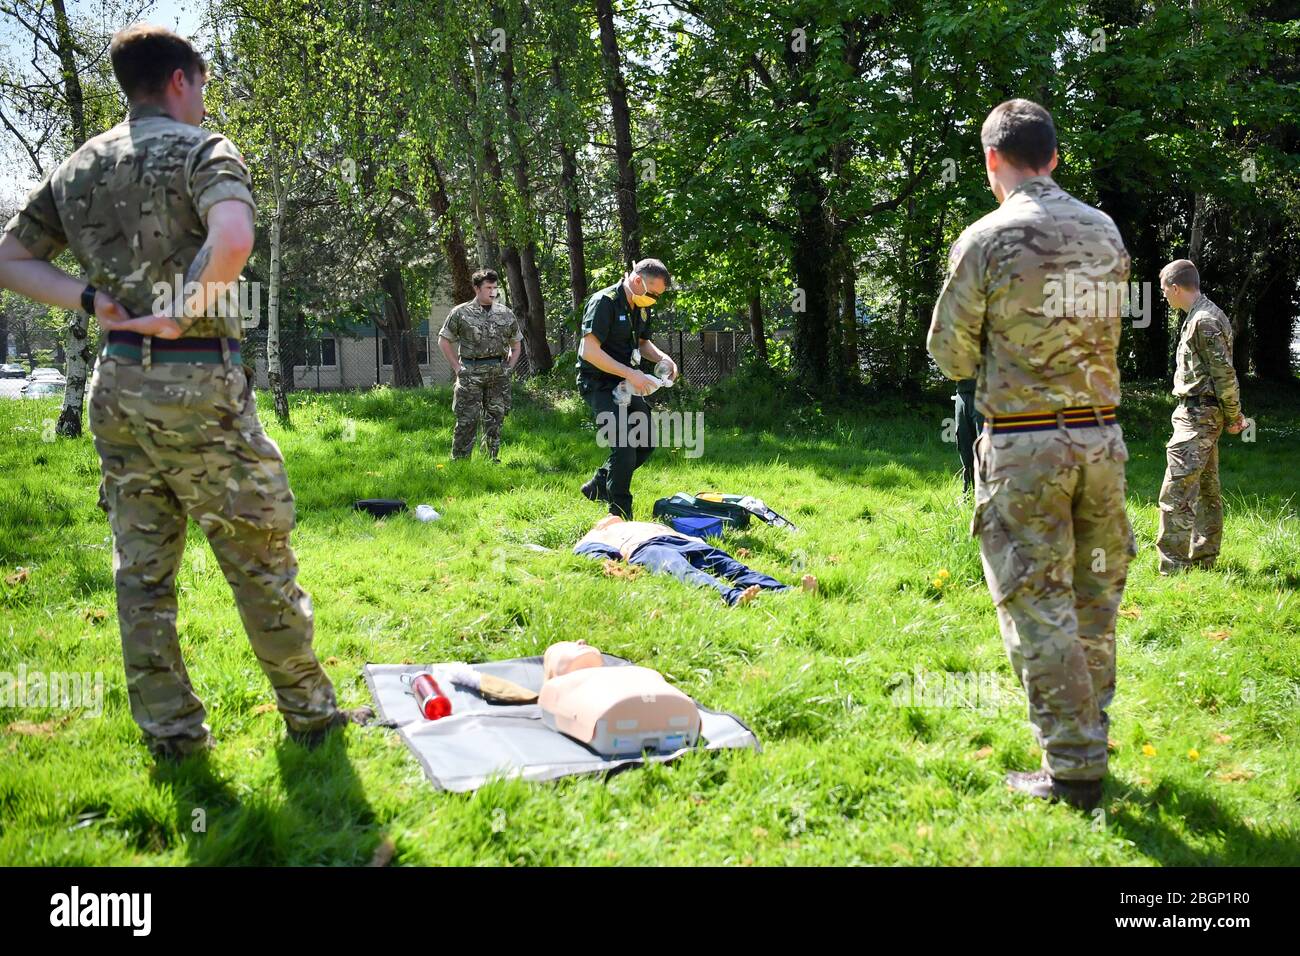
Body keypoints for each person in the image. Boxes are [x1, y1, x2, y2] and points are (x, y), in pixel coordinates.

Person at [0, 24, 370, 760]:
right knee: (257, 553)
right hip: (196, 379)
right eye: (199, 83)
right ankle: (310, 715)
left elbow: (9, 257)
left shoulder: (78, 168)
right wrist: (182, 308)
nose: (203, 97)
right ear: (179, 79)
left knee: (141, 573)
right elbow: (232, 239)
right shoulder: (204, 149)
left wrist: (88, 301)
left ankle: (170, 736)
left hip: (116, 384)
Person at [927, 99, 1136, 812]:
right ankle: (1091, 740)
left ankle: (1075, 769)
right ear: (1054, 154)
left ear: (993, 160)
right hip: (1103, 439)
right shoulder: (1105, 231)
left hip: (1025, 447)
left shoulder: (987, 237)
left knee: (1038, 605)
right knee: (1095, 601)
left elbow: (950, 355)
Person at [1155, 259, 1246, 574]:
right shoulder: (1200, 316)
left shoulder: (1203, 320)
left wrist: (1235, 416)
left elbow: (1224, 374)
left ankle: (1173, 567)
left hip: (1198, 415)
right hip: (1200, 413)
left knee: (1176, 490)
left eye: (1165, 290)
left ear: (1176, 288)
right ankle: (1204, 559)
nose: (1164, 296)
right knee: (1207, 489)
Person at [576, 258, 679, 518]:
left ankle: (599, 485)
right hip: (598, 382)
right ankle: (620, 512)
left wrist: (663, 358)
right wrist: (632, 374)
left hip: (625, 382)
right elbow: (589, 351)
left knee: (644, 443)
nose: (654, 299)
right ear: (637, 281)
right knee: (624, 445)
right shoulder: (604, 302)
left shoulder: (640, 306)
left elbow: (643, 343)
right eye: (653, 293)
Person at [574, 515, 814, 606]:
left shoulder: (637, 521)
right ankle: (732, 597)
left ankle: (788, 592)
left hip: (684, 541)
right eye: (605, 517)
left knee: (731, 566)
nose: (610, 516)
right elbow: (598, 555)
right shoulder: (596, 534)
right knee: (683, 571)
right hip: (646, 548)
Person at [437, 268, 522, 461]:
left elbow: (516, 345)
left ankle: (490, 461)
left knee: (495, 420)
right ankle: (460, 462)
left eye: (495, 287)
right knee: (466, 420)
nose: (493, 292)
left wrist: (509, 368)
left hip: (498, 375)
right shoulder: (460, 313)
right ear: (477, 288)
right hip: (470, 373)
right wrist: (457, 368)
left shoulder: (505, 314)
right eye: (488, 287)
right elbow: (444, 340)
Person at [954, 377, 984, 494]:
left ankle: (988, 500)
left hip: (986, 394)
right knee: (964, 447)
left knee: (984, 450)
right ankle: (968, 495)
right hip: (962, 394)